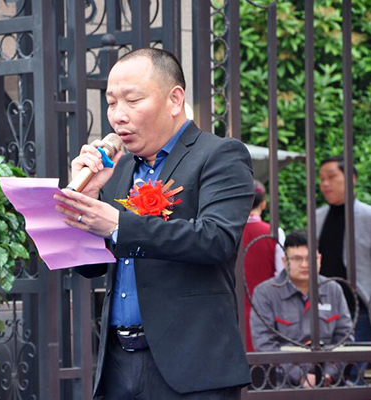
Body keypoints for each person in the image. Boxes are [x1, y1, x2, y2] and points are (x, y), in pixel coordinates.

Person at [54, 48, 254, 399]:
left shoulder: (219, 155)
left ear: (174, 99)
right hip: (118, 364)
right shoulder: (119, 171)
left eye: (132, 101)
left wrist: (118, 225)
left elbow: (216, 239)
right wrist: (89, 198)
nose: (118, 116)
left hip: (192, 369)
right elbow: (91, 268)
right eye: (111, 103)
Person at [250, 230, 353, 387]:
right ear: (284, 261)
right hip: (281, 385)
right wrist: (301, 377)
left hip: (329, 383)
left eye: (310, 258)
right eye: (297, 259)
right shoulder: (265, 293)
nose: (304, 264)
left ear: (319, 259)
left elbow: (345, 338)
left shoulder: (333, 290)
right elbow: (264, 344)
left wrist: (328, 375)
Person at [317, 155, 371, 341]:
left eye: (331, 176)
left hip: (360, 309)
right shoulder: (317, 217)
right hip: (323, 308)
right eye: (321, 179)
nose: (325, 184)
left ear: (351, 178)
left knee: (356, 358)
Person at [242, 179, 286, 352]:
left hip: (231, 306)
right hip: (265, 308)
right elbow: (282, 275)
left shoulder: (228, 232)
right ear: (263, 204)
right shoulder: (274, 232)